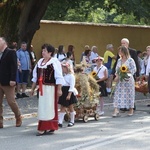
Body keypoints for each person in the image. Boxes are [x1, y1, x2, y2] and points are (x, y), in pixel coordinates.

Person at [30, 43, 64, 136]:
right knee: (43, 107)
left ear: (50, 53)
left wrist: (59, 89)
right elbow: (35, 77)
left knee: (48, 108)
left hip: (50, 88)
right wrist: (32, 89)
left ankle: (45, 127)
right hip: (41, 89)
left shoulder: (54, 62)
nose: (43, 52)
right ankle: (48, 127)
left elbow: (59, 76)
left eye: (45, 51)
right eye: (42, 50)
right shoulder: (40, 62)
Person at [0, 37, 22, 128]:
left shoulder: (11, 52)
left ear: (4, 43)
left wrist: (13, 79)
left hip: (8, 82)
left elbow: (14, 66)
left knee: (11, 101)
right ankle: (0, 121)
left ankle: (18, 116)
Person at [112, 46, 136, 117]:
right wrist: (117, 76)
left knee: (129, 94)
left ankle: (131, 109)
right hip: (120, 79)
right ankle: (116, 109)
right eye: (119, 51)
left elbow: (134, 69)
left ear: (124, 52)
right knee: (118, 93)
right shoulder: (119, 60)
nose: (119, 53)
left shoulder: (130, 60)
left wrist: (126, 71)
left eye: (120, 51)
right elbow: (117, 69)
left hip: (128, 79)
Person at [58, 62, 77, 127]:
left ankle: (72, 121)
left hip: (68, 91)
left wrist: (69, 95)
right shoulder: (64, 76)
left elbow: (72, 86)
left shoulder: (71, 76)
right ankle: (60, 122)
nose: (62, 69)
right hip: (64, 91)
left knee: (70, 107)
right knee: (62, 107)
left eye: (63, 68)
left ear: (67, 68)